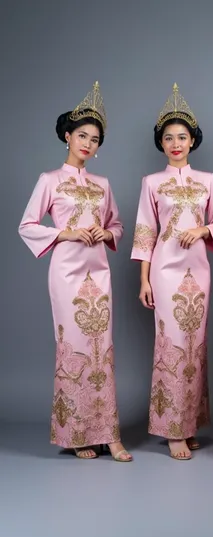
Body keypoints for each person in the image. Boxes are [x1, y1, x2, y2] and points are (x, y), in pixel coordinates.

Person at [18, 82, 132, 461]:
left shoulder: (102, 185)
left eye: (95, 139)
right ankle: (79, 433)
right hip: (66, 274)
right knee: (74, 349)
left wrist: (106, 232)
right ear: (67, 136)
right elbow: (27, 225)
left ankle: (109, 433)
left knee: (103, 351)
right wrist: (63, 232)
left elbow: (117, 227)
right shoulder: (49, 180)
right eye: (81, 135)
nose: (87, 143)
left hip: (99, 274)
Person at [131, 83, 213, 461]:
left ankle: (189, 423)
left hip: (198, 272)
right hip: (165, 273)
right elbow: (144, 231)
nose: (175, 143)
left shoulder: (208, 181)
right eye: (168, 138)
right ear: (161, 143)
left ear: (192, 141)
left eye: (182, 137)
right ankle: (172, 430)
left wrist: (202, 230)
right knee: (170, 346)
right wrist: (143, 279)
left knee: (195, 346)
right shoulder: (152, 183)